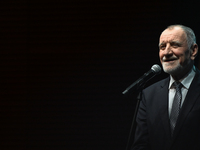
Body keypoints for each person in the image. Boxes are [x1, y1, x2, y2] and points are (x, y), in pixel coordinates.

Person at [131, 24, 200, 150]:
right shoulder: (149, 94)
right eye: (162, 47)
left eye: (175, 45)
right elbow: (141, 144)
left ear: (193, 50)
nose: (167, 52)